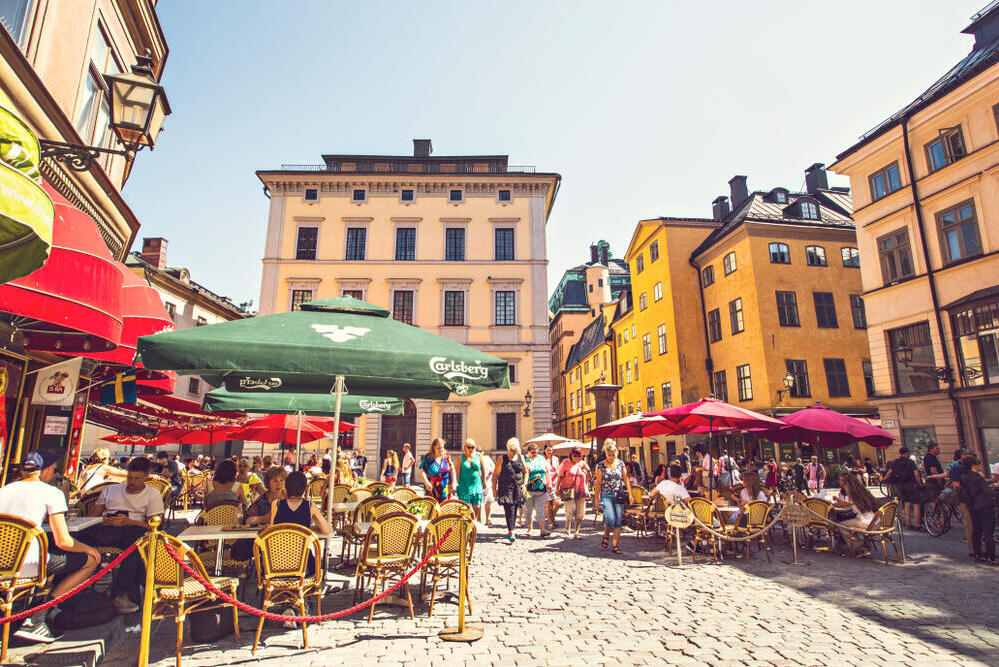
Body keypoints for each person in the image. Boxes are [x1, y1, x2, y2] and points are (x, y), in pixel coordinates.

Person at [0, 450, 100, 642]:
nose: (54, 475)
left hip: (3, 563)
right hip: (27, 564)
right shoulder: (51, 492)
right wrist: (89, 549)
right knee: (90, 560)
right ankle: (38, 615)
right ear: (46, 470)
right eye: (54, 470)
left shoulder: (3, 490)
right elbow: (64, 541)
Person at [82, 457, 163, 614]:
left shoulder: (152, 494)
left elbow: (154, 526)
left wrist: (129, 522)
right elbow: (91, 517)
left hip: (133, 530)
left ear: (146, 477)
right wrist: (103, 520)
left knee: (137, 543)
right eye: (130, 477)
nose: (132, 482)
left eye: (137, 478)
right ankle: (65, 588)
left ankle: (120, 591)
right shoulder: (111, 490)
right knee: (76, 536)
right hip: (105, 529)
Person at [270, 471, 332, 624]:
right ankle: (297, 606)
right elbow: (326, 530)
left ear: (286, 488)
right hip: (302, 563)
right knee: (314, 565)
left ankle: (290, 605)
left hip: (277, 563)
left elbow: (272, 530)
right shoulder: (309, 505)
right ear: (305, 489)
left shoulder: (276, 504)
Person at [957, 455, 996, 564]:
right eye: (978, 464)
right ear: (974, 465)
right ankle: (991, 556)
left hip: (973, 506)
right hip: (984, 506)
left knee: (976, 531)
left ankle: (977, 555)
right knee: (988, 532)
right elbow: (987, 491)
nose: (980, 466)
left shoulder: (964, 476)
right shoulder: (977, 477)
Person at [594, 441, 631, 554]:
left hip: (618, 494)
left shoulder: (620, 464)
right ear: (606, 454)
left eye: (613, 455)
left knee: (618, 520)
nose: (611, 457)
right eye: (609, 455)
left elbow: (626, 479)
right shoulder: (601, 465)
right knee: (610, 519)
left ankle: (615, 545)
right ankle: (606, 533)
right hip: (606, 495)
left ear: (616, 454)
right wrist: (597, 498)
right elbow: (598, 482)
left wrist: (630, 494)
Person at [493, 438, 526, 543]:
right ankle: (511, 531)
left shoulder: (521, 457)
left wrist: (524, 484)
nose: (513, 453)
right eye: (512, 450)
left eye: (515, 450)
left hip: (518, 487)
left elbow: (526, 472)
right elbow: (495, 475)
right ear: (508, 449)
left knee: (515, 507)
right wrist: (494, 489)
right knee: (509, 508)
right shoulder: (501, 459)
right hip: (505, 487)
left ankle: (512, 527)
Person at [882, 446, 923, 530]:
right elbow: (916, 474)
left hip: (901, 485)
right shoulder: (910, 462)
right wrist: (920, 484)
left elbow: (889, 472)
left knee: (907, 503)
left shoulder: (895, 462)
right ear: (906, 453)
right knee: (916, 504)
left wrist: (884, 479)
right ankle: (917, 524)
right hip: (911, 484)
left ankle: (908, 523)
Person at [556, 446, 591, 539]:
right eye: (575, 455)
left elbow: (589, 477)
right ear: (571, 455)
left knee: (580, 513)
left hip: (581, 490)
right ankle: (567, 524)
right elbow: (560, 476)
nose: (577, 457)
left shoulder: (582, 463)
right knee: (571, 511)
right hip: (568, 490)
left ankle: (576, 532)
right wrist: (557, 488)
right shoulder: (565, 462)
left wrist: (588, 469)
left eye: (579, 456)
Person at [947, 449, 975, 558]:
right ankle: (973, 549)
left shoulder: (969, 467)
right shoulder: (957, 468)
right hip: (966, 500)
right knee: (969, 524)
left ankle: (977, 548)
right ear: (964, 457)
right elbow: (956, 486)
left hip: (974, 500)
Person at [522, 443, 551, 537]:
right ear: (528, 452)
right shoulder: (525, 460)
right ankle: (529, 528)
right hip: (529, 490)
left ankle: (543, 530)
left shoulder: (542, 459)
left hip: (541, 489)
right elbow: (523, 473)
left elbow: (547, 472)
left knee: (540, 510)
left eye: (536, 452)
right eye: (533, 452)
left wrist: (549, 483)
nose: (535, 454)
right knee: (528, 510)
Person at [456, 439, 485, 522]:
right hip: (464, 486)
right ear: (464, 447)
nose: (470, 449)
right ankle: (466, 524)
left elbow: (483, 469)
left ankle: (474, 523)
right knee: (465, 509)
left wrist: (484, 482)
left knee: (477, 507)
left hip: (476, 485)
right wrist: (455, 484)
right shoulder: (461, 458)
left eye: (472, 447)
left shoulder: (479, 456)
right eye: (468, 447)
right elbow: (457, 472)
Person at [543, 444, 561, 530]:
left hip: (555, 483)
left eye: (550, 450)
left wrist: (558, 472)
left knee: (557, 503)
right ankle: (550, 522)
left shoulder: (555, 459)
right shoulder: (542, 459)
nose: (549, 452)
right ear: (544, 451)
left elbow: (558, 469)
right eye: (548, 450)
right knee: (548, 503)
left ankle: (552, 518)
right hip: (546, 483)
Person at [480, 448, 495, 527]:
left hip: (488, 483)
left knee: (489, 501)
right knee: (478, 503)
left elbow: (494, 467)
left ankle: (487, 519)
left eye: (481, 452)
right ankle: (478, 519)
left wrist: (492, 470)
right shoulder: (474, 460)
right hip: (479, 484)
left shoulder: (487, 458)